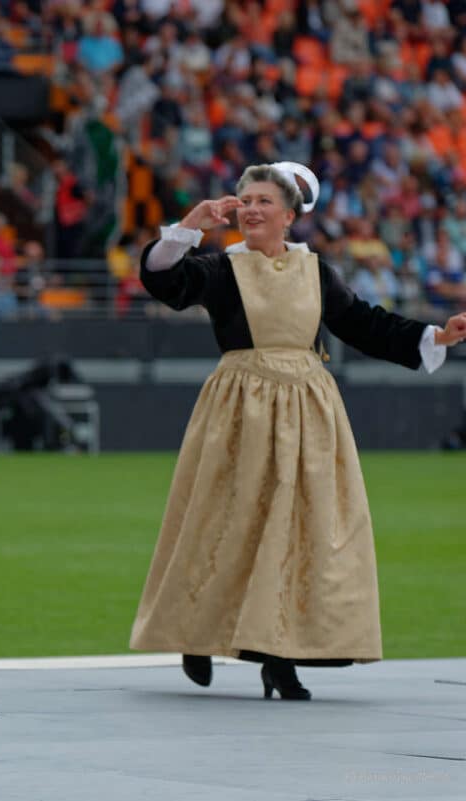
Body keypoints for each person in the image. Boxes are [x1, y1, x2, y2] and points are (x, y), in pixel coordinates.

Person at [129, 162, 466, 700]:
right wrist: (190, 225)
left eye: (264, 201)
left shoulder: (316, 272)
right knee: (223, 522)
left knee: (297, 531)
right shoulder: (221, 269)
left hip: (308, 412)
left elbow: (364, 324)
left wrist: (436, 336)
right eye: (246, 200)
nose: (252, 209)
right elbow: (164, 279)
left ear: (290, 215)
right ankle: (196, 631)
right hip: (241, 408)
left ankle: (280, 659)